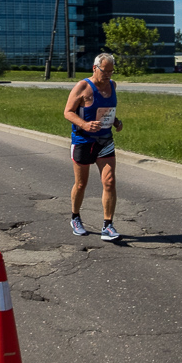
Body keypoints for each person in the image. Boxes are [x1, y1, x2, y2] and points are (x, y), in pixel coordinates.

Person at [63, 53, 124, 241]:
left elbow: (106, 111)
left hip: (105, 140)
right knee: (81, 184)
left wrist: (115, 121)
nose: (108, 75)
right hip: (83, 140)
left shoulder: (112, 86)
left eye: (112, 72)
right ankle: (75, 217)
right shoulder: (82, 86)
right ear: (94, 68)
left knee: (110, 182)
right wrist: (85, 125)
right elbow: (68, 112)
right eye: (105, 71)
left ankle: (108, 225)